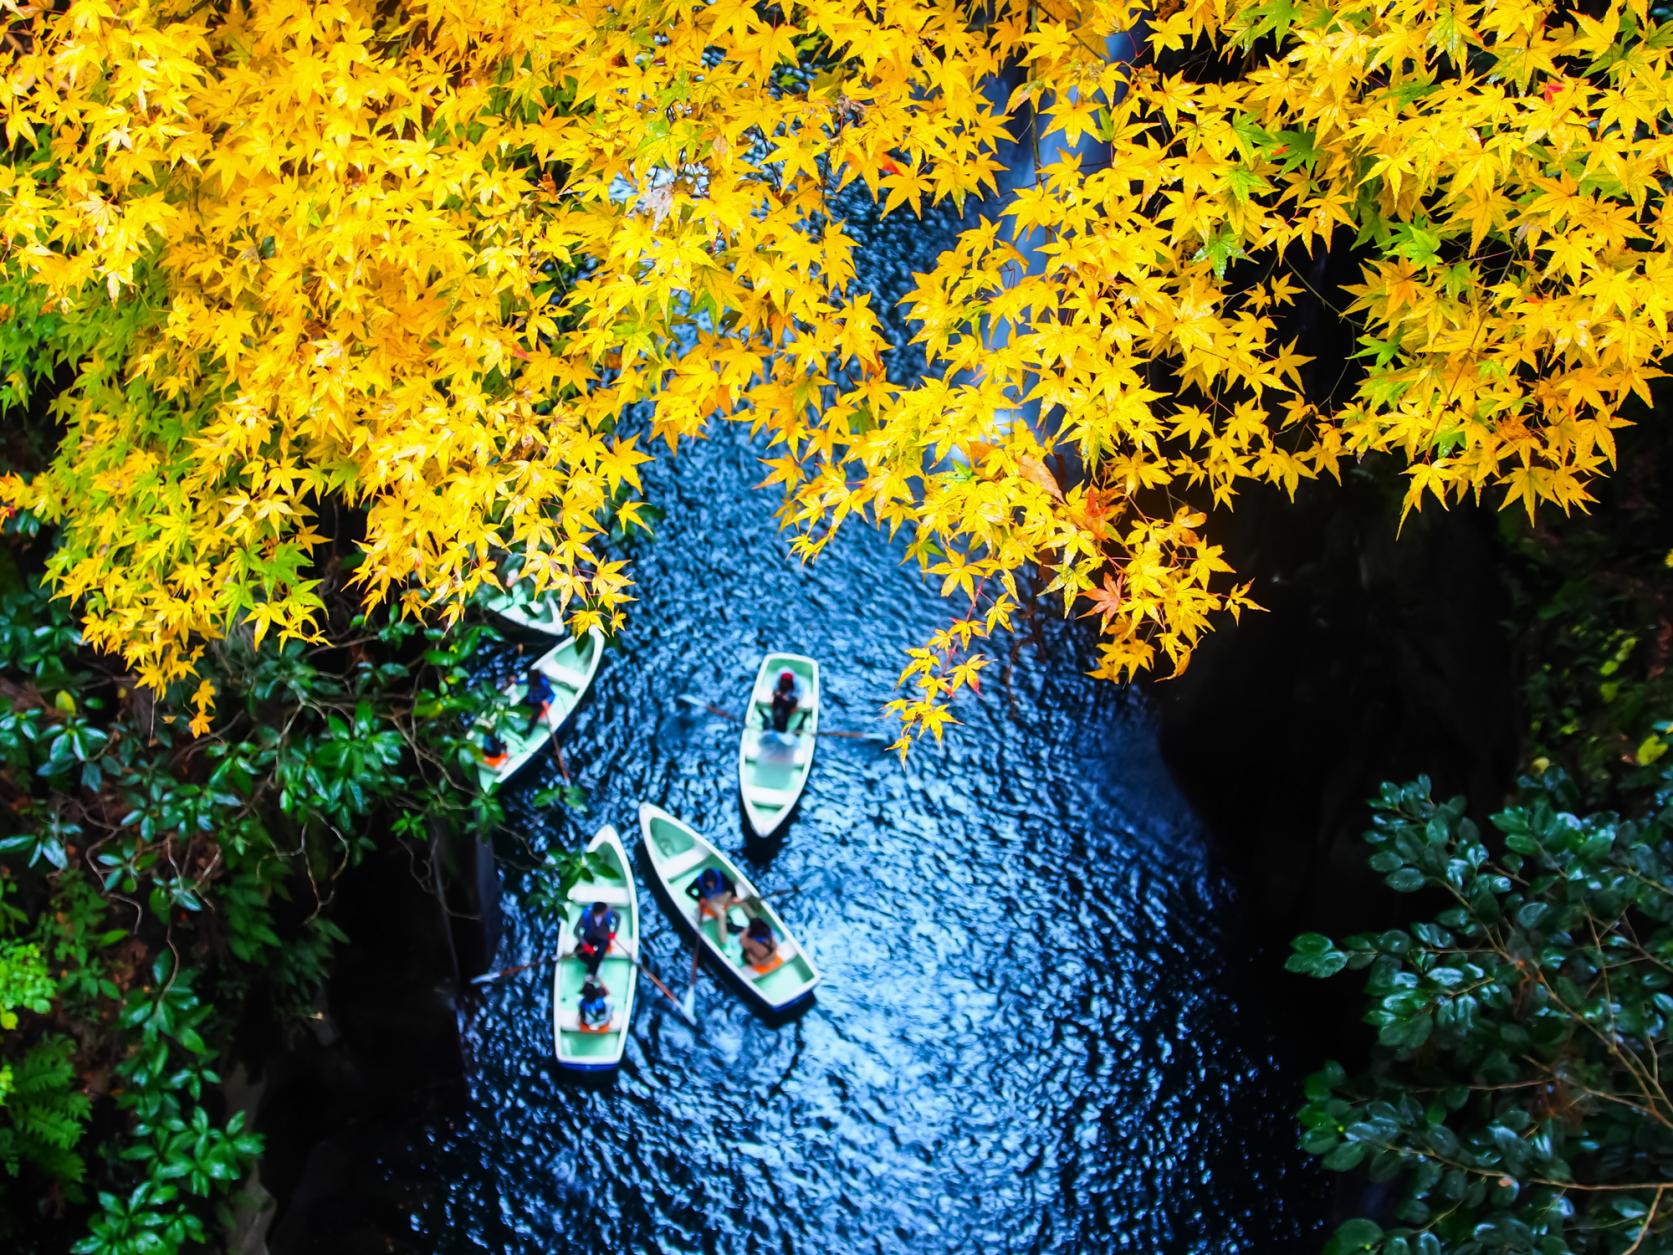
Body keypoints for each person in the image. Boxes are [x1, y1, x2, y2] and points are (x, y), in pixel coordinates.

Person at [573, 900, 618, 976]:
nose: (607, 911)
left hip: (603, 938)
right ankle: (594, 963)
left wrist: (614, 932)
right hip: (589, 936)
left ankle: (593, 969)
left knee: (600, 953)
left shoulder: (608, 910)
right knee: (579, 953)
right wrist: (585, 945)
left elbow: (618, 917)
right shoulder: (586, 914)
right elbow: (576, 930)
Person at [768, 669, 802, 734]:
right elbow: (774, 693)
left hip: (787, 705)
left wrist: (793, 703)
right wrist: (777, 695)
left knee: (782, 721)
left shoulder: (796, 687)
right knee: (777, 716)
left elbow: (797, 697)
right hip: (779, 704)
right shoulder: (777, 684)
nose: (785, 684)